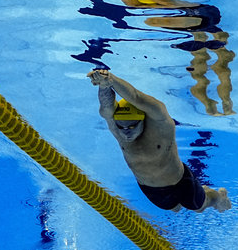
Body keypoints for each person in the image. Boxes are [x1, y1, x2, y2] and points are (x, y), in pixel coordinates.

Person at [110, 0, 235, 116]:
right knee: (214, 58)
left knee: (207, 58)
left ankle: (220, 101)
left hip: (191, 17)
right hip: (193, 16)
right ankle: (222, 102)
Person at [88, 69, 230, 212]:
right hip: (151, 189)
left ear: (142, 120)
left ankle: (218, 197)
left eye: (132, 126)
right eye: (122, 127)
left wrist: (111, 79)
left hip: (180, 182)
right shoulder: (118, 129)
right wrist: (103, 85)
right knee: (174, 209)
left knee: (200, 206)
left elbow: (137, 97)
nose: (126, 132)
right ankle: (198, 193)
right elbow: (106, 109)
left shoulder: (160, 123)